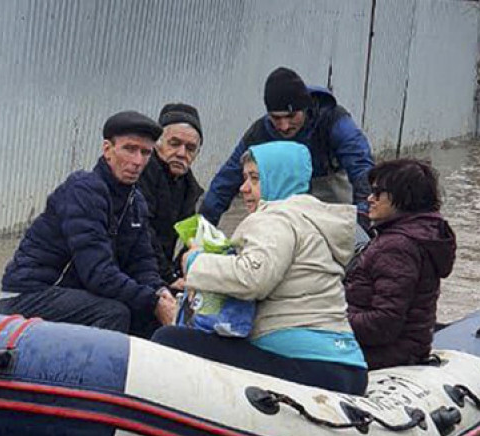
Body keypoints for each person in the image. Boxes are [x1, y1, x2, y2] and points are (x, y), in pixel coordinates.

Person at [153, 142, 368, 396]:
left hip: (304, 363)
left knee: (169, 339)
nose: (244, 188)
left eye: (254, 179)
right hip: (348, 366)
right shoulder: (311, 220)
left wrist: (195, 262)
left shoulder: (275, 218)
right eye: (244, 178)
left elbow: (252, 278)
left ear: (279, 178)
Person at [0, 111, 178, 336]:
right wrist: (153, 302)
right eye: (129, 149)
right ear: (107, 150)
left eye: (145, 153)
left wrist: (161, 293)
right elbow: (98, 274)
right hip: (30, 294)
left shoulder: (136, 202)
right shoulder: (83, 191)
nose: (137, 161)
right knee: (114, 312)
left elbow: (142, 263)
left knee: (148, 312)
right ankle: (96, 371)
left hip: (73, 293)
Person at [200, 67, 374, 231]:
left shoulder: (333, 120)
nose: (284, 126)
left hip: (330, 194)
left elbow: (362, 170)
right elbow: (225, 182)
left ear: (305, 108)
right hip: (281, 206)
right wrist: (200, 231)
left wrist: (364, 218)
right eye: (276, 118)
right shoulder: (260, 132)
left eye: (291, 116)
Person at [344, 159, 456, 370]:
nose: (369, 199)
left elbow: (383, 324)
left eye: (377, 193)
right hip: (408, 346)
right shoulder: (419, 235)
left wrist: (326, 320)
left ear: (403, 197)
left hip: (388, 353)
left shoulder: (397, 247)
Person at [137, 103, 206, 286]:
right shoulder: (141, 175)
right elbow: (144, 232)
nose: (182, 153)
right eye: (174, 144)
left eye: (190, 148)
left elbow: (190, 239)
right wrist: (169, 277)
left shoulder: (189, 187)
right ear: (157, 144)